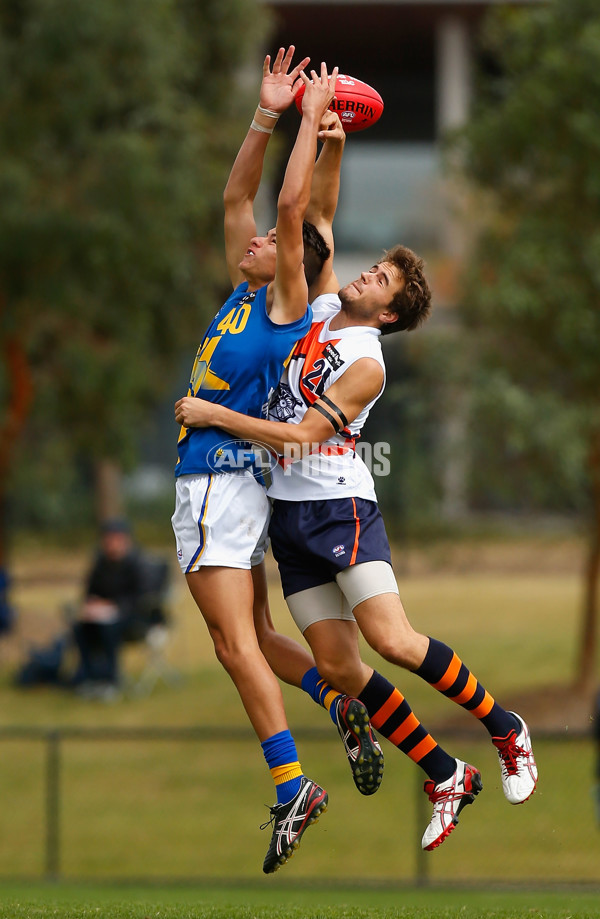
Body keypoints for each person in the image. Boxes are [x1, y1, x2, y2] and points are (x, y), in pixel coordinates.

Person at [174, 112, 539, 853]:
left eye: (383, 279)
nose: (367, 275)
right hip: (290, 520)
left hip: (340, 506)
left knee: (393, 640)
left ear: (392, 310)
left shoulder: (365, 359)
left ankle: (505, 727)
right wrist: (334, 140)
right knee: (339, 668)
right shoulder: (319, 305)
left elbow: (304, 436)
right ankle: (444, 774)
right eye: (372, 268)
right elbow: (317, 213)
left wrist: (216, 413)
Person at [171, 47, 338, 874]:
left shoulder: (284, 301)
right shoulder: (246, 291)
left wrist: (310, 121)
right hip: (235, 486)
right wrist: (267, 114)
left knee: (234, 644)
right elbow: (240, 195)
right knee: (258, 634)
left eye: (276, 241)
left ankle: (290, 782)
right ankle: (336, 697)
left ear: (294, 263)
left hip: (215, 481)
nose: (260, 235)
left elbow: (289, 199)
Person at [71, 518, 145, 700]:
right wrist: (91, 605)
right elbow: (89, 591)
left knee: (108, 629)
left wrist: (114, 607)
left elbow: (140, 598)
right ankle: (89, 677)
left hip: (131, 617)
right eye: (108, 539)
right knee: (80, 628)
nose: (111, 543)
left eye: (116, 538)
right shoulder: (100, 563)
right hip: (101, 616)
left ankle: (111, 679)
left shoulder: (137, 563)